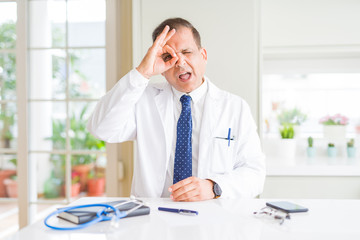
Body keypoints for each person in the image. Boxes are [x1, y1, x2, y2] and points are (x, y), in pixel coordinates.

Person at [87, 18, 265, 202]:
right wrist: (142, 72)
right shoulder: (142, 99)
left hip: (212, 215)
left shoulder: (235, 107)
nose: (180, 62)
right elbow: (101, 129)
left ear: (203, 55)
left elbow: (255, 173)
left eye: (187, 52)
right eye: (168, 57)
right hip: (154, 216)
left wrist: (214, 187)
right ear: (161, 69)